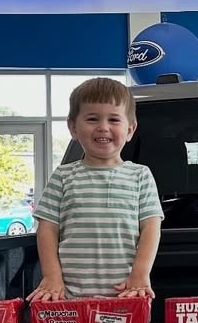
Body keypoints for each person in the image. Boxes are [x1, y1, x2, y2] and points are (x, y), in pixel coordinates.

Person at [28, 78, 164, 301]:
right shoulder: (63, 176)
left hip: (127, 295)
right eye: (92, 119)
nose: (103, 127)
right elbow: (47, 230)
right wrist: (52, 277)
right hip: (69, 297)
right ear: (73, 127)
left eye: (113, 119)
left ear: (130, 129)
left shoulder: (140, 175)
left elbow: (151, 227)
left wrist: (140, 275)